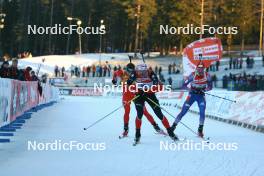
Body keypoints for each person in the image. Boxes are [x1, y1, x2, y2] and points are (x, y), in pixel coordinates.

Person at [127, 63, 178, 143]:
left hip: (150, 94)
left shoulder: (151, 73)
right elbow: (129, 84)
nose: (142, 74)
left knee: (159, 114)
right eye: (140, 72)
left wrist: (149, 90)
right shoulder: (135, 73)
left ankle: (170, 132)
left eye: (144, 72)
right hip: (139, 95)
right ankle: (137, 135)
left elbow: (158, 86)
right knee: (139, 114)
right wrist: (136, 89)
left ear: (147, 70)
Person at [112, 63, 164, 138]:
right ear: (126, 69)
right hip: (126, 96)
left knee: (145, 112)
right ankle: (125, 130)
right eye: (129, 71)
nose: (130, 73)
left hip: (136, 95)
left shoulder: (136, 74)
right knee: (127, 111)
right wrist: (114, 79)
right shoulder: (122, 73)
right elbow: (115, 73)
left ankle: (156, 127)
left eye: (132, 71)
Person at [171, 62, 212, 138]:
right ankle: (173, 127)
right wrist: (191, 89)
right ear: (196, 68)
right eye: (199, 68)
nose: (200, 70)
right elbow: (183, 86)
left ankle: (200, 130)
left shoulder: (207, 76)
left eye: (201, 69)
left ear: (204, 69)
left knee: (202, 112)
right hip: (191, 96)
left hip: (201, 96)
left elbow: (210, 87)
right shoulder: (192, 75)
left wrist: (204, 90)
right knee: (183, 112)